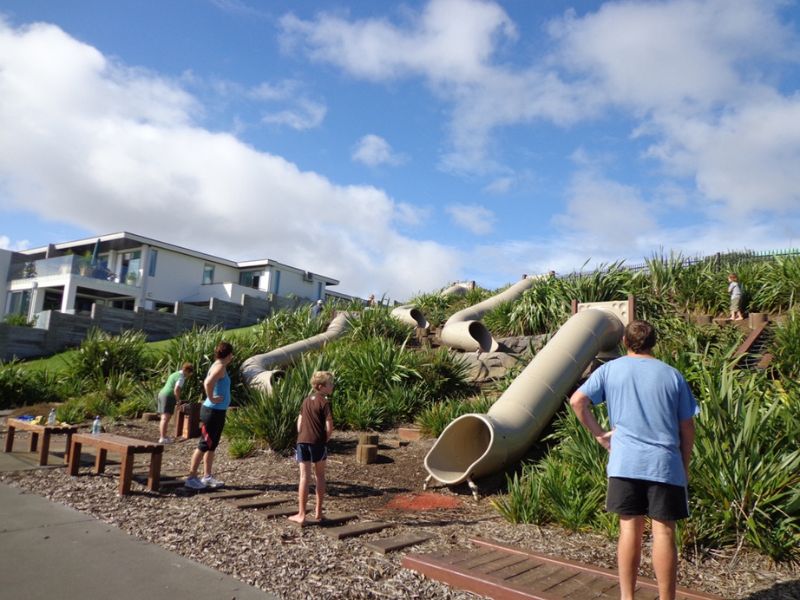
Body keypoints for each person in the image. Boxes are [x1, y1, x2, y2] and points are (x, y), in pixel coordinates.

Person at [569, 320, 697, 600]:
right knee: (664, 534)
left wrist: (600, 435)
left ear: (625, 342)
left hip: (625, 462)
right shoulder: (672, 375)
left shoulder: (610, 370)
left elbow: (577, 401)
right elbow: (688, 428)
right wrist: (683, 467)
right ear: (654, 343)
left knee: (629, 530)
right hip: (664, 463)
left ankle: (627, 597)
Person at [185, 341, 234, 490]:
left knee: (212, 445)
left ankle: (207, 476)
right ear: (229, 355)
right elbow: (207, 383)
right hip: (212, 411)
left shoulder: (219, 365)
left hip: (218, 411)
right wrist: (212, 397)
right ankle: (191, 477)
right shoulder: (219, 367)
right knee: (204, 444)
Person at [288, 371, 335, 524]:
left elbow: (299, 423)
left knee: (304, 477)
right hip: (317, 442)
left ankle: (301, 514)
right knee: (320, 476)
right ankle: (318, 512)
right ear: (321, 387)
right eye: (330, 384)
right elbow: (329, 425)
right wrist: (325, 438)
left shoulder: (306, 401)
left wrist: (302, 435)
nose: (332, 386)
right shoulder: (324, 402)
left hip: (302, 441)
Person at [157, 362, 193, 444]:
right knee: (165, 418)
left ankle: (164, 436)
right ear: (187, 371)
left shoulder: (174, 374)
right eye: (189, 373)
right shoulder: (181, 378)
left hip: (162, 394)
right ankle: (162, 438)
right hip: (168, 396)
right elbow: (176, 389)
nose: (189, 376)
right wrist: (178, 400)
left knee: (165, 417)